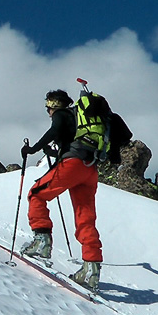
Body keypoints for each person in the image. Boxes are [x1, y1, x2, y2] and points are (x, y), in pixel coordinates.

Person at [19, 89, 103, 290]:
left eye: (48, 106)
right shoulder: (79, 119)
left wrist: (33, 149)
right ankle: (90, 268)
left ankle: (41, 242)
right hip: (90, 168)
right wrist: (52, 151)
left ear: (53, 105)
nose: (47, 110)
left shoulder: (61, 115)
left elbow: (54, 131)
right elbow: (68, 140)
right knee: (85, 215)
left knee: (36, 194)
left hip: (72, 165)